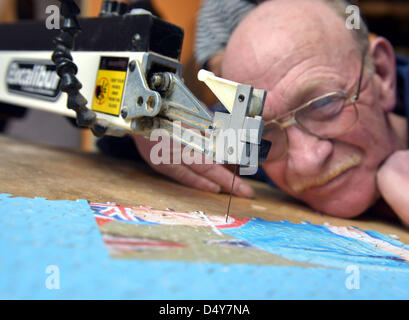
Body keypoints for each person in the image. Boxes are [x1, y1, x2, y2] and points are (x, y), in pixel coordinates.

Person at [133, 0, 409, 226]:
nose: (306, 162)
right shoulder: (246, 146)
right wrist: (145, 118)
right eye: (265, 132)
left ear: (383, 74)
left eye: (324, 105)